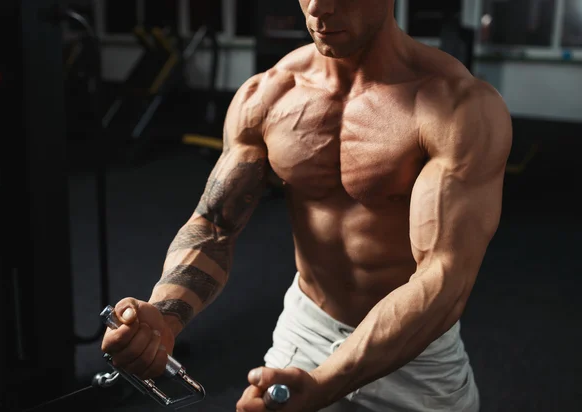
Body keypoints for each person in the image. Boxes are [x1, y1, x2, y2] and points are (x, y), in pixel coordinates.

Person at [101, 1, 513, 411]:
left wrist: (328, 382)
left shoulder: (458, 107)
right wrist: (164, 317)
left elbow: (444, 276)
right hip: (308, 327)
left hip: (414, 347)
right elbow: (214, 227)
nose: (318, 7)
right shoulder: (268, 94)